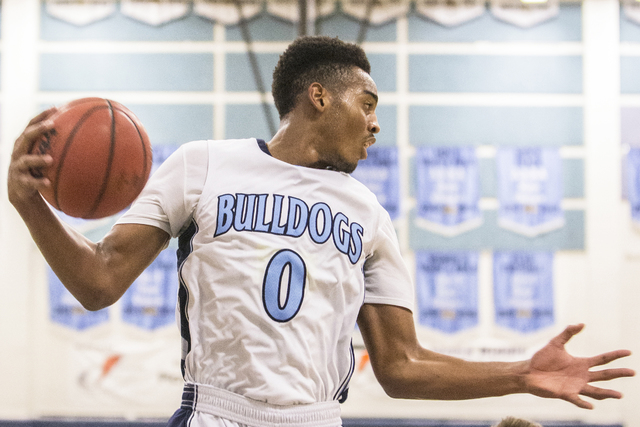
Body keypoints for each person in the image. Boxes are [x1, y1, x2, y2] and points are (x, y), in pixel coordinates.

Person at [7, 36, 635, 427]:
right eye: (368, 103)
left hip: (316, 419)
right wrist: (31, 205)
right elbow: (97, 283)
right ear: (319, 97)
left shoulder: (369, 214)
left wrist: (521, 373)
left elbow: (401, 365)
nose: (375, 124)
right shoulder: (200, 163)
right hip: (217, 415)